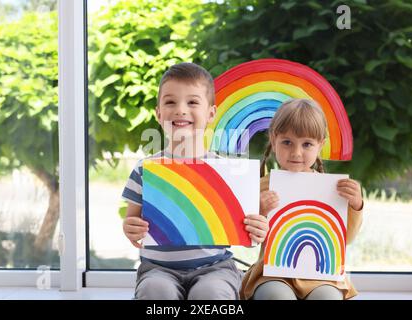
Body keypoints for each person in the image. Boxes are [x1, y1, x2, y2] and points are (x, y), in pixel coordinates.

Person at [121, 62, 269, 300]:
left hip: (215, 268)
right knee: (156, 291)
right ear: (158, 114)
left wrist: (257, 230)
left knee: (210, 294)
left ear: (211, 113)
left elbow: (247, 235)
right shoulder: (144, 170)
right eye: (170, 102)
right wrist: (131, 228)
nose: (180, 110)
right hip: (158, 270)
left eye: (192, 102)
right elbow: (132, 220)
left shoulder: (229, 171)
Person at [240, 98, 364, 300]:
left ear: (320, 145)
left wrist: (356, 205)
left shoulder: (331, 190)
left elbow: (345, 239)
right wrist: (261, 211)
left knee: (328, 297)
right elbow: (247, 240)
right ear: (273, 140)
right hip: (272, 274)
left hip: (322, 276)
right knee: (274, 295)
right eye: (287, 142)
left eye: (307, 144)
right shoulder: (262, 185)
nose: (296, 153)